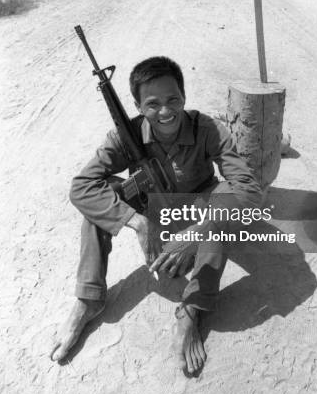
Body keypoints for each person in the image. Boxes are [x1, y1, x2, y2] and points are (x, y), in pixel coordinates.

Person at [50, 56, 262, 373]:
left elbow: (248, 189)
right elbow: (82, 186)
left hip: (196, 211)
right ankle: (89, 298)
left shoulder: (207, 129)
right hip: (152, 212)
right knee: (100, 195)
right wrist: (137, 222)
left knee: (222, 205)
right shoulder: (126, 136)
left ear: (184, 97)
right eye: (152, 104)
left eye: (173, 99)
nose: (165, 111)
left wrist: (198, 233)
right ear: (137, 105)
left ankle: (191, 309)